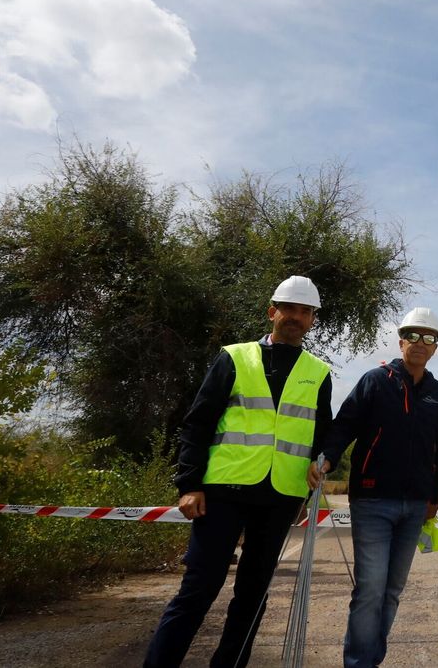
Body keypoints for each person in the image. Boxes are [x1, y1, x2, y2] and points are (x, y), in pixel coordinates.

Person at [145, 276, 333, 668]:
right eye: (289, 308)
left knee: (252, 595)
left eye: (305, 311)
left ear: (313, 320)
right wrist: (189, 484)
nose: (296, 317)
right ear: (272, 312)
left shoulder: (319, 373)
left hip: (280, 496)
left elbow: (321, 435)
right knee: (199, 590)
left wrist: (313, 478)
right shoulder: (234, 358)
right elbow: (198, 423)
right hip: (223, 492)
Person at [318, 307, 438, 668]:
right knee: (371, 589)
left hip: (415, 507)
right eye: (413, 335)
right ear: (401, 341)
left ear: (436, 346)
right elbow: (344, 425)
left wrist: (433, 497)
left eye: (428, 337)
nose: (420, 343)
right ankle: (359, 662)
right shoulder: (375, 381)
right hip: (373, 500)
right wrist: (327, 458)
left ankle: (370, 659)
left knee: (392, 591)